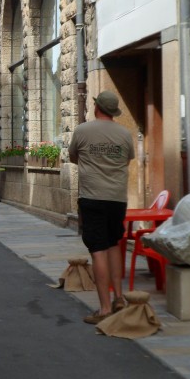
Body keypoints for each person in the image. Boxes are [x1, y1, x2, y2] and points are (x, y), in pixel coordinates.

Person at [69, 91, 135, 325]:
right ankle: (119, 298)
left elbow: (73, 157)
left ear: (97, 107)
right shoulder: (125, 133)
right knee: (114, 244)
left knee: (98, 250)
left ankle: (105, 308)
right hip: (117, 198)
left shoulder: (82, 131)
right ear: (113, 111)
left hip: (93, 197)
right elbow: (127, 160)